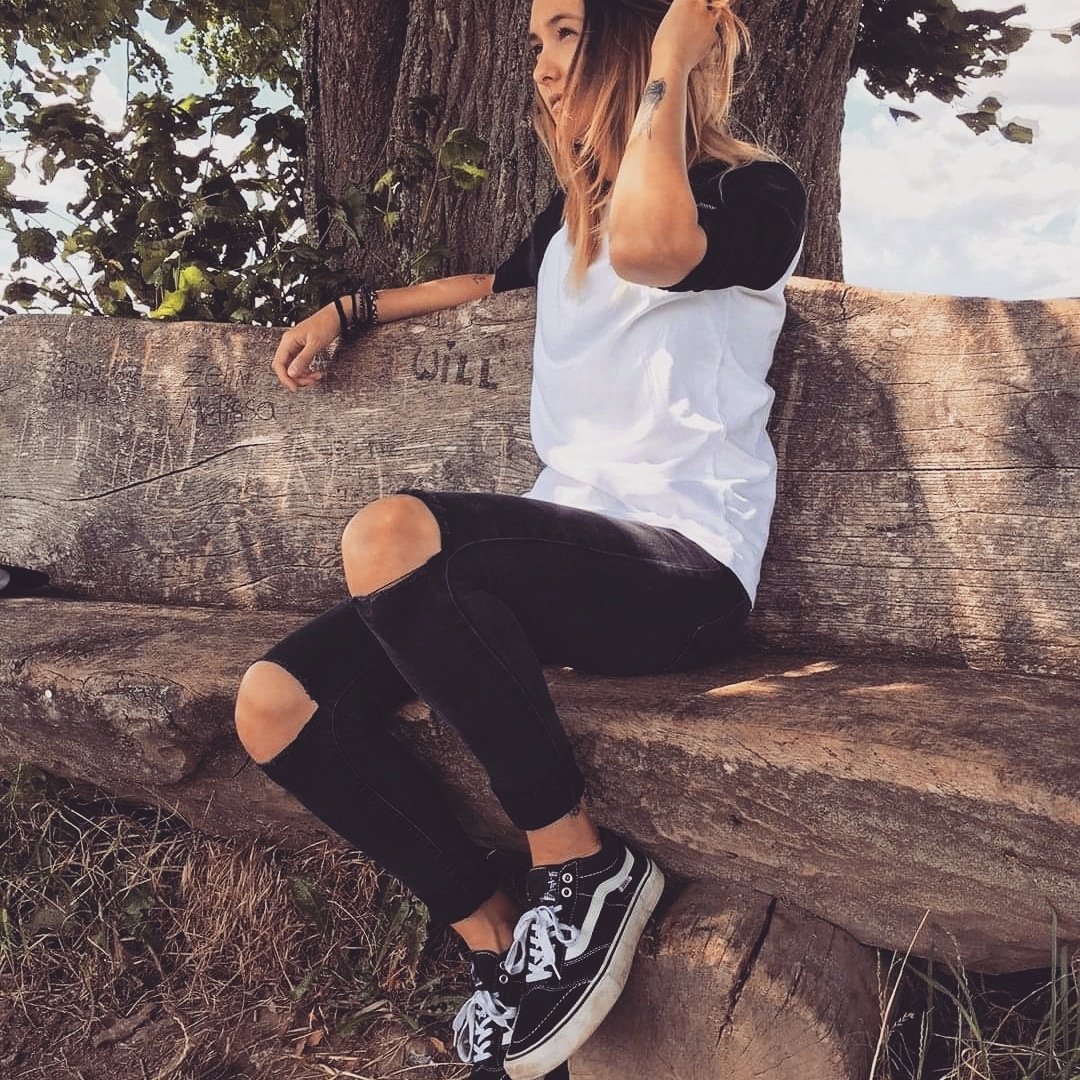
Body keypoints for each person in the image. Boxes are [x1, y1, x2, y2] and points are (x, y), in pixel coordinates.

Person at [234, 0, 806, 1076]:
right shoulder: (574, 215)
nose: (541, 66)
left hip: (683, 568)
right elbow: (497, 285)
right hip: (568, 558)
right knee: (276, 704)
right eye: (535, 43)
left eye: (567, 34)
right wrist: (353, 310)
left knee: (392, 537)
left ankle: (582, 870)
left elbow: (652, 249)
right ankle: (495, 937)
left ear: (635, 38)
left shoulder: (753, 193)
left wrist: (672, 64)